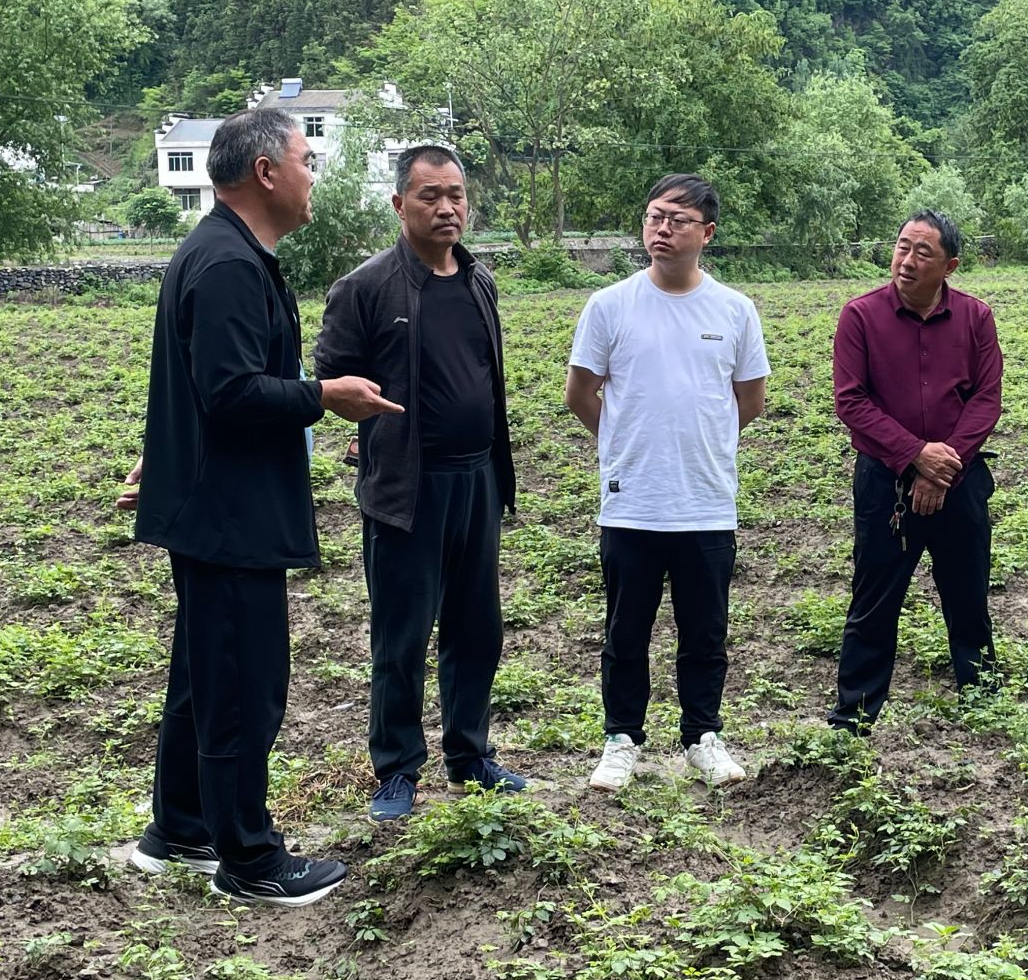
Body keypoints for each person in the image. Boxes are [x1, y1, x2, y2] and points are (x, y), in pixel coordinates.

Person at [121, 107, 400, 906]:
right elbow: (231, 391)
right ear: (266, 172)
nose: (313, 176)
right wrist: (326, 395)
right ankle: (248, 858)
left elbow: (197, 385)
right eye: (307, 160)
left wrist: (168, 451)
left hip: (213, 503)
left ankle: (181, 827)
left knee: (204, 673)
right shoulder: (229, 264)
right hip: (230, 515)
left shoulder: (221, 251)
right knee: (243, 683)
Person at [314, 144, 522, 823]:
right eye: (430, 195)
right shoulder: (365, 287)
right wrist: (359, 415)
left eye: (456, 194)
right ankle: (397, 768)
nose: (446, 207)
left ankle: (470, 755)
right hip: (407, 487)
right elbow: (330, 381)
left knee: (476, 627)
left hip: (477, 479)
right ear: (399, 204)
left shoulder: (479, 280)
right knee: (401, 636)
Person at [563, 173, 768, 790]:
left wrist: (701, 443)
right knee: (625, 631)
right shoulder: (609, 305)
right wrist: (626, 445)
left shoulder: (734, 310)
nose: (662, 229)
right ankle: (620, 739)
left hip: (706, 502)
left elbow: (750, 400)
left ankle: (703, 736)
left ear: (707, 233)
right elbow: (581, 394)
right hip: (633, 501)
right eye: (654, 217)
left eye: (678, 220)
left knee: (705, 632)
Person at [827, 211, 1002, 734]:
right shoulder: (861, 316)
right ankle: (854, 716)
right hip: (885, 483)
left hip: (959, 481)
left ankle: (984, 704)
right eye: (902, 247)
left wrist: (942, 466)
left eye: (923, 252)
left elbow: (986, 399)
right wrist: (914, 455)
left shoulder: (975, 317)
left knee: (968, 594)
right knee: (874, 599)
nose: (907, 260)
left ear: (950, 265)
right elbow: (851, 402)